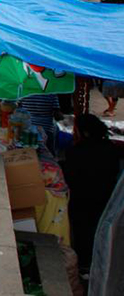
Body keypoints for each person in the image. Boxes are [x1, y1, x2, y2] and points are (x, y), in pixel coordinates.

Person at [63, 114, 121, 271]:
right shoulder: (111, 149)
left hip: (82, 199)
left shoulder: (75, 151)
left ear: (84, 132)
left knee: (82, 231)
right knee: (98, 229)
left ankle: (84, 264)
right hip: (105, 198)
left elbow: (69, 177)